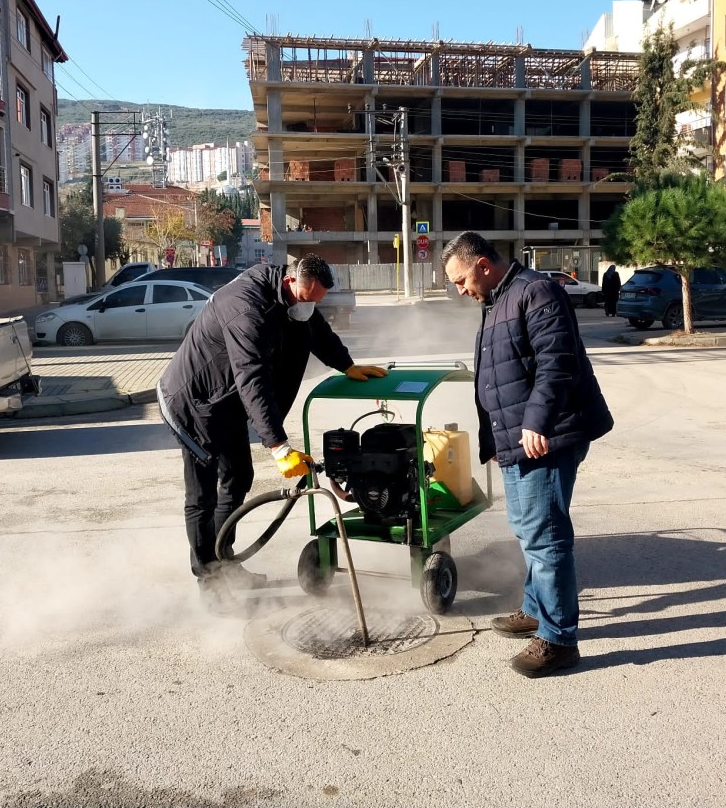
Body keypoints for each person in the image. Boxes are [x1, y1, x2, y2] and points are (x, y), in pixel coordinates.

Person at [157, 254, 386, 600]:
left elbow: (315, 329)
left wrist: (346, 365)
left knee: (238, 477)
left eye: (317, 301)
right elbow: (252, 378)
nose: (309, 307)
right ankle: (210, 582)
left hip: (227, 403)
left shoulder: (292, 296)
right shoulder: (246, 310)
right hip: (193, 404)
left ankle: (225, 562)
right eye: (307, 299)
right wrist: (278, 446)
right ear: (291, 282)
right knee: (201, 496)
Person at [442, 232, 613, 678]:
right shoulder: (497, 300)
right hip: (518, 439)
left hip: (547, 435)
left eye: (461, 280)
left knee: (546, 537)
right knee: (526, 529)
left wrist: (536, 421)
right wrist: (497, 443)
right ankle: (536, 609)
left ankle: (558, 640)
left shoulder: (536, 291)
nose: (460, 290)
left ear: (481, 264)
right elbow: (501, 379)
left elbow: (557, 362)